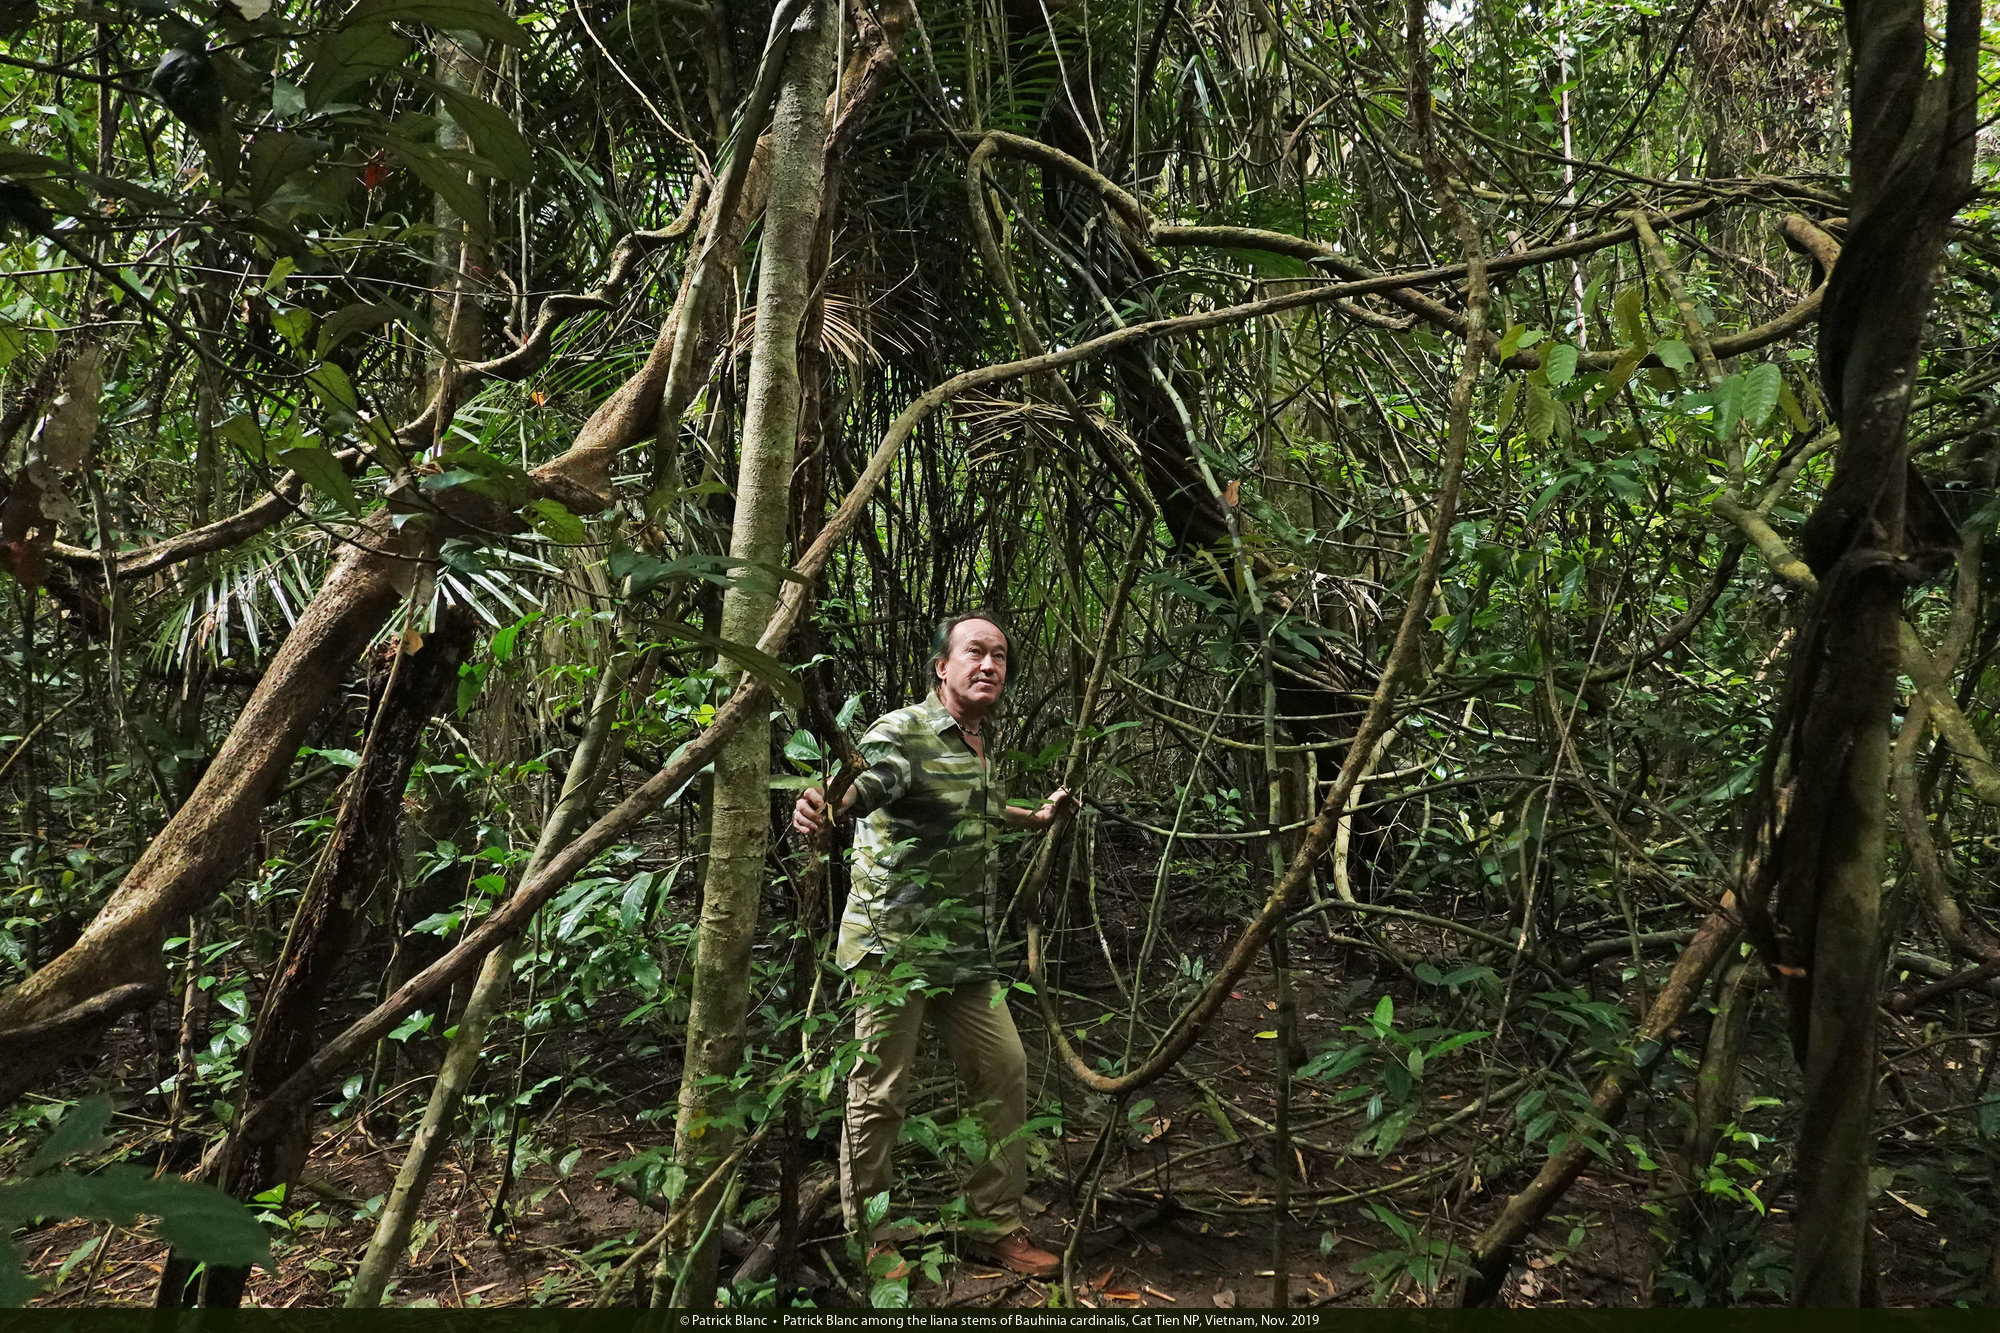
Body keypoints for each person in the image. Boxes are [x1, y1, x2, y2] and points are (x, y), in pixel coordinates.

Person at [792, 611, 1074, 1281]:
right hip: (894, 947)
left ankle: (991, 1223)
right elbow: (868, 782)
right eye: (975, 652)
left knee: (1004, 1070)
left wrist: (1036, 817)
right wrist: (823, 802)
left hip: (965, 952)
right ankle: (870, 1236)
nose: (989, 665)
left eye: (999, 656)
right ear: (942, 666)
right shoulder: (903, 730)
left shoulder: (977, 742)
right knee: (880, 1092)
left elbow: (971, 805)